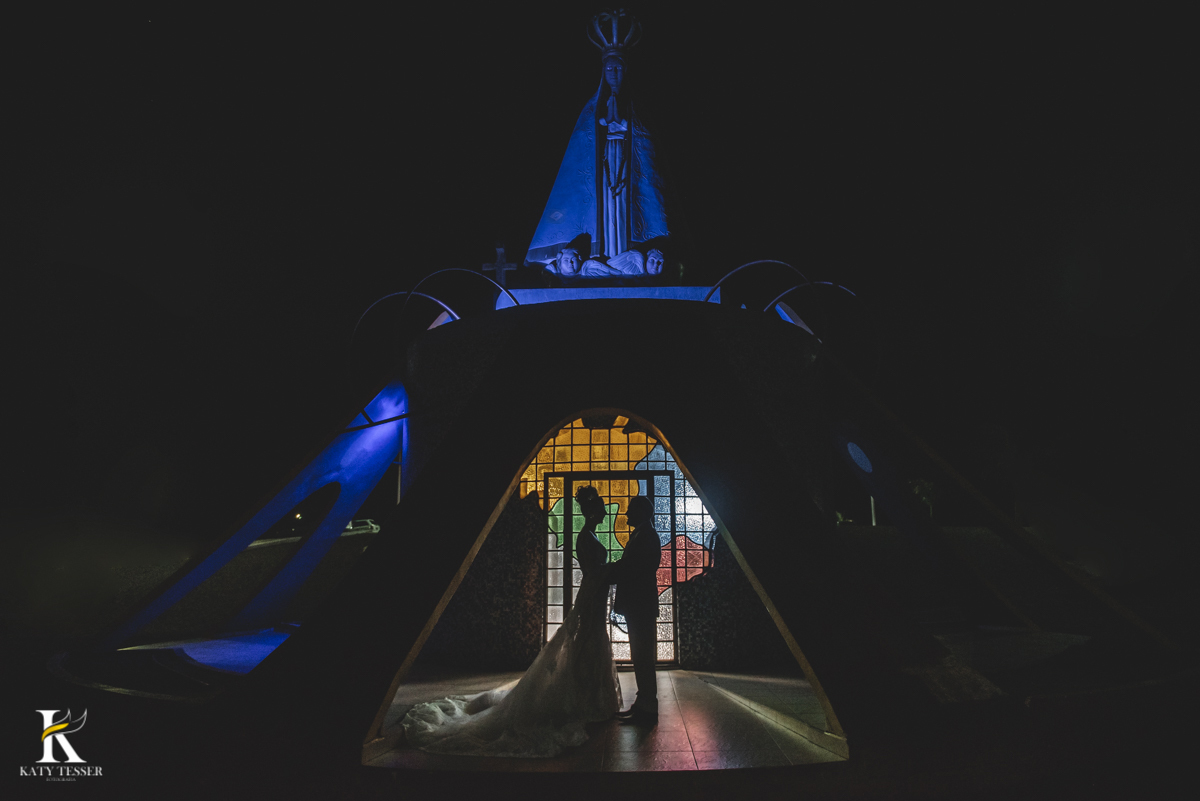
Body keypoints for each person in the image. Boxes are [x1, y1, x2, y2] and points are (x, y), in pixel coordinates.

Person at [401, 486, 621, 757]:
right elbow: (593, 571)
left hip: (595, 594)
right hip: (591, 594)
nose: (603, 514)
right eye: (600, 510)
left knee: (591, 641)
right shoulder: (585, 537)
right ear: (592, 512)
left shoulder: (590, 535)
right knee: (586, 640)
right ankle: (583, 697)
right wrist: (614, 570)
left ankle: (589, 695)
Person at [610, 495, 662, 725]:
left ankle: (648, 709)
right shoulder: (644, 534)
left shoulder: (647, 536)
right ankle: (643, 704)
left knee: (643, 656)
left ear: (641, 512)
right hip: (639, 604)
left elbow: (635, 568)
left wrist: (606, 572)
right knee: (640, 656)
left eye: (630, 510)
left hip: (640, 604)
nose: (627, 514)